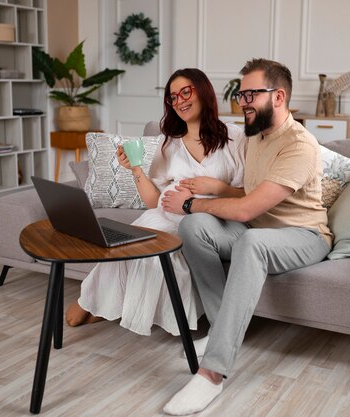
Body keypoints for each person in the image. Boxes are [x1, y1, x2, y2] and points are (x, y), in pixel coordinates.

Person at [160, 59, 333, 415]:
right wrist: (217, 190)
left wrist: (191, 203)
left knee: (245, 240)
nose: (243, 102)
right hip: (259, 228)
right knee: (192, 228)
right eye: (241, 94)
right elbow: (245, 194)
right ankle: (224, 323)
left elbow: (245, 211)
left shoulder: (299, 145)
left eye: (252, 94)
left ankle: (212, 374)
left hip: (303, 235)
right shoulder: (256, 137)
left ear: (279, 96)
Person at [65, 68, 246, 337]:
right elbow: (154, 202)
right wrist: (135, 170)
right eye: (173, 97)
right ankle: (95, 301)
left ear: (203, 91)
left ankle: (125, 310)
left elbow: (249, 194)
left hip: (208, 219)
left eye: (186, 92)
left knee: (162, 250)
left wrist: (217, 187)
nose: (180, 101)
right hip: (165, 213)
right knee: (128, 242)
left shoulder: (235, 137)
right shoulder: (168, 143)